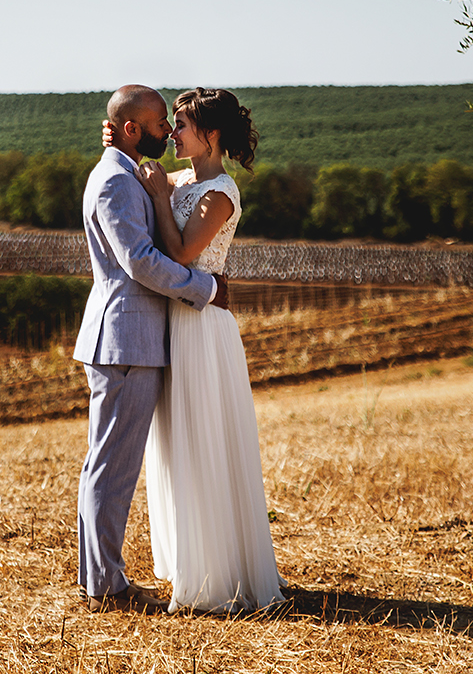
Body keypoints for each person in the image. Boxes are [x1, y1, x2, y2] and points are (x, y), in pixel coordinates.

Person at [125, 87, 286, 614]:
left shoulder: (220, 192)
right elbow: (140, 177)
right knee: (175, 445)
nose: (173, 133)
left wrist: (154, 197)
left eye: (183, 124)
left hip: (202, 326)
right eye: (171, 123)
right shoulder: (180, 180)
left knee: (205, 441)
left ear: (210, 134)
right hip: (172, 321)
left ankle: (220, 575)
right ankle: (188, 563)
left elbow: (181, 251)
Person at [73, 83, 227, 614]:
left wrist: (122, 143)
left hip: (133, 340)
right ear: (134, 128)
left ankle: (99, 579)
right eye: (161, 123)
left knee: (109, 465)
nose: (169, 130)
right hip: (125, 340)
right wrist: (205, 288)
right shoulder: (115, 181)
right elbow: (139, 260)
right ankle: (104, 587)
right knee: (111, 468)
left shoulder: (125, 169)